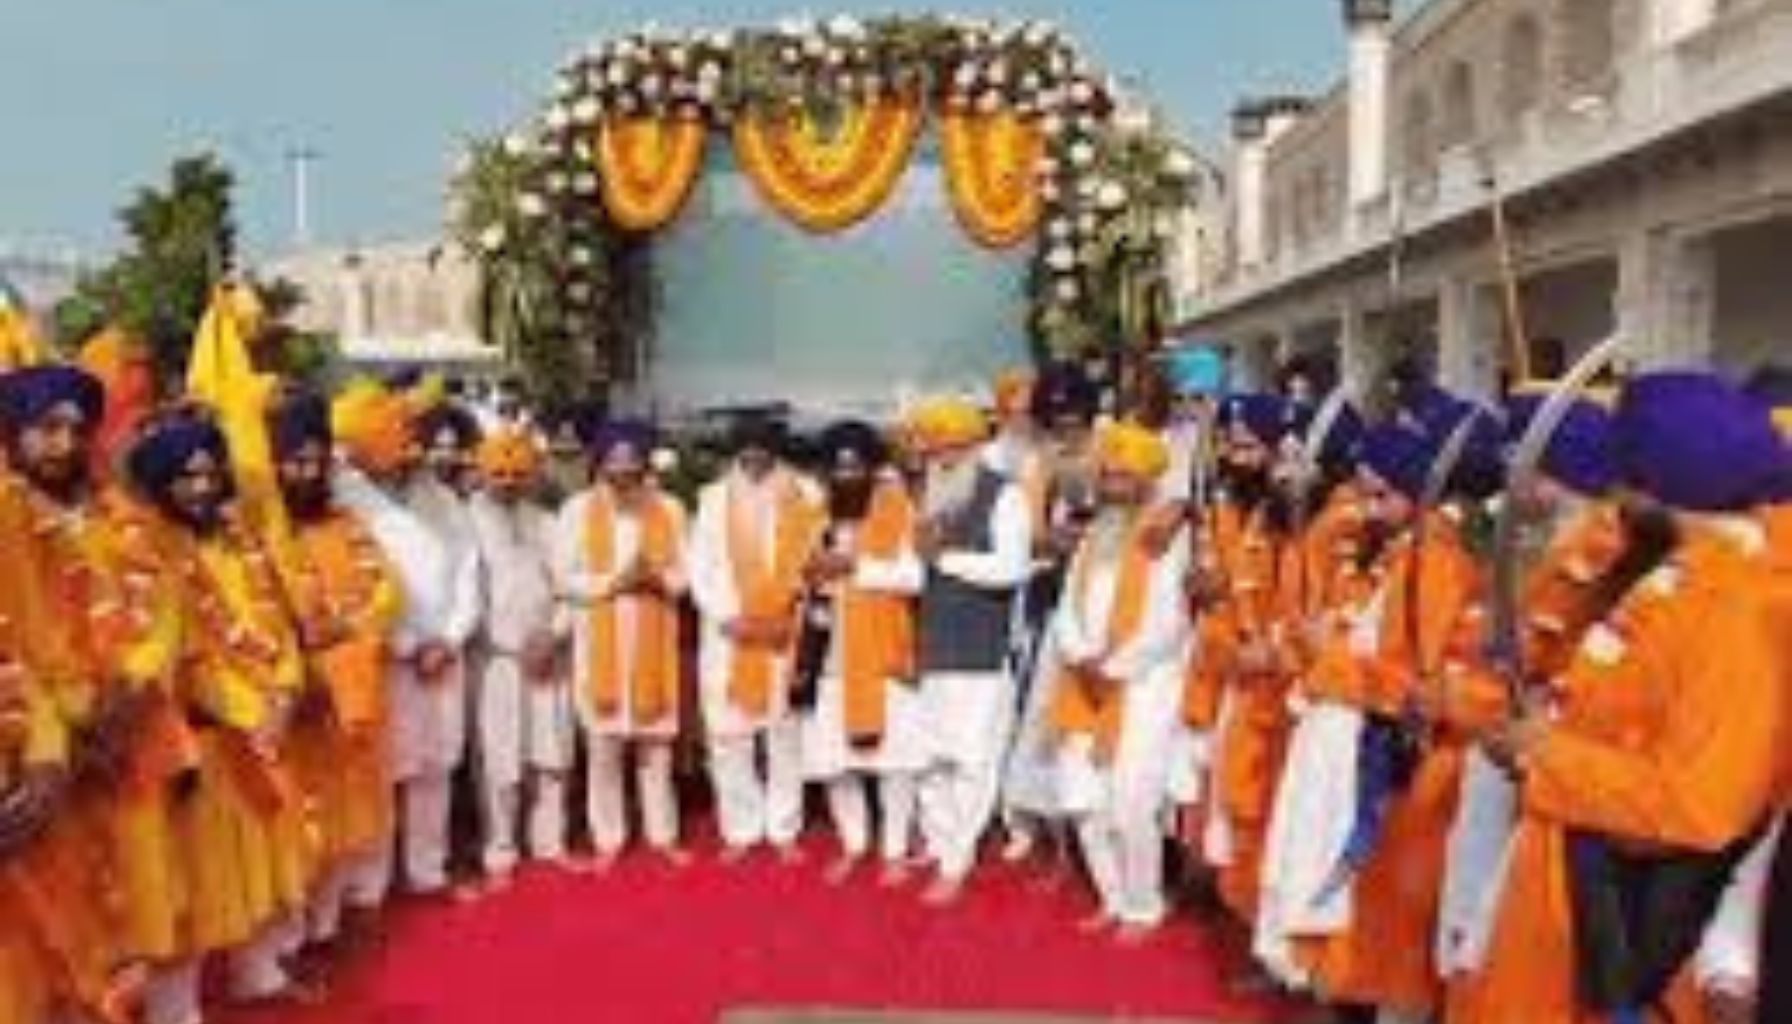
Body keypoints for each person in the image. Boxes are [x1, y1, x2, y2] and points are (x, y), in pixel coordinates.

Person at [1464, 371, 1786, 1024]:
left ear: (1661, 485)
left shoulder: (1743, 608)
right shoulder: (1674, 574)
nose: (1609, 496)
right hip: (1564, 899)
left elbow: (1702, 806)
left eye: (1625, 478)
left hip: (1637, 932)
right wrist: (1547, 728)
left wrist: (1548, 755)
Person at [1, 363, 183, 1024]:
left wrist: (133, 686)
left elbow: (165, 610)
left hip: (128, 737)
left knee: (135, 907)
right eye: (47, 428)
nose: (65, 443)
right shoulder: (9, 518)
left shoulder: (123, 516)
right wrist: (69, 723)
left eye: (78, 429)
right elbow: (20, 636)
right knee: (54, 928)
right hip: (43, 749)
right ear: (13, 433)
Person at [126, 408, 317, 1011]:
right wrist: (253, 713)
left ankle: (257, 974)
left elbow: (278, 624)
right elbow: (189, 657)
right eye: (187, 476)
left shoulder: (239, 541)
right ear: (160, 483)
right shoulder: (151, 554)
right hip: (200, 741)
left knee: (259, 859)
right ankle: (176, 1009)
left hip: (262, 727)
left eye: (210, 473)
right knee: (195, 883)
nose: (203, 487)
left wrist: (285, 691)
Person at [331, 379, 481, 898]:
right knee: (380, 770)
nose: (412, 447)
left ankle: (427, 871)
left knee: (435, 766)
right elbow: (351, 585)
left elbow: (468, 570)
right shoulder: (344, 498)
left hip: (444, 654)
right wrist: (407, 643)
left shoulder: (441, 497)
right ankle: (369, 886)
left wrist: (450, 638)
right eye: (403, 434)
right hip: (386, 657)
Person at [269, 391, 406, 951]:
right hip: (294, 697)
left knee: (346, 816)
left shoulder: (346, 523)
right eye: (295, 462)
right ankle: (284, 949)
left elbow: (387, 592)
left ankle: (325, 929)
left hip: (350, 693)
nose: (307, 473)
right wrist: (302, 653)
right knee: (297, 819)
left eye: (316, 462)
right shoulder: (262, 531)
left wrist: (346, 629)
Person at [1050, 421, 1193, 941]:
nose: (1110, 486)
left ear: (1147, 482)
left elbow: (1169, 623)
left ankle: (1142, 906)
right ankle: (1111, 896)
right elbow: (1066, 606)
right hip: (1082, 680)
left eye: (1122, 477)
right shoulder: (1094, 535)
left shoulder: (1168, 539)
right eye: (1106, 476)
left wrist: (1110, 668)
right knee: (1083, 801)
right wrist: (1080, 655)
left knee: (1132, 803)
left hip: (1142, 688)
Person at [907, 397, 1033, 905]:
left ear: (972, 447)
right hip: (932, 650)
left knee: (972, 761)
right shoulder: (928, 496)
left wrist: (946, 559)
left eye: (950, 449)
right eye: (934, 450)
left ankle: (956, 860)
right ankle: (939, 843)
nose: (941, 459)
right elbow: (914, 572)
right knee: (929, 759)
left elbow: (1011, 568)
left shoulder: (1006, 495)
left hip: (981, 654)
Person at [554, 419, 691, 868]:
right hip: (601, 642)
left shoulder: (670, 508)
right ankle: (608, 840)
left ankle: (662, 835)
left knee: (656, 752)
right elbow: (564, 577)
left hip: (654, 636)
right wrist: (616, 582)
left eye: (632, 461)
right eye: (614, 461)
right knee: (604, 753)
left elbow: (686, 573)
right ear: (600, 464)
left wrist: (657, 580)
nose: (623, 469)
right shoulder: (577, 510)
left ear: (645, 464)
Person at [795, 420, 926, 886]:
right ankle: (854, 843)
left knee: (896, 762)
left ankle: (894, 850)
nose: (846, 476)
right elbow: (798, 575)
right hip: (828, 655)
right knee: (834, 762)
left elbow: (914, 576)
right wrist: (811, 573)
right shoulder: (816, 517)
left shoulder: (898, 508)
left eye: (854, 467)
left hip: (883, 652)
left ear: (872, 469)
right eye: (837, 468)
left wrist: (854, 567)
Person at [688, 413, 823, 861]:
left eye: (762, 447)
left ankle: (783, 829)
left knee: (785, 734)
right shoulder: (712, 498)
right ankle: (741, 830)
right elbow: (700, 567)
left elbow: (814, 561)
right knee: (730, 737)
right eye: (745, 449)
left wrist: (788, 610)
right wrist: (730, 617)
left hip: (786, 629)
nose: (754, 456)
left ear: (775, 449)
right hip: (729, 634)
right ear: (735, 451)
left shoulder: (806, 493)